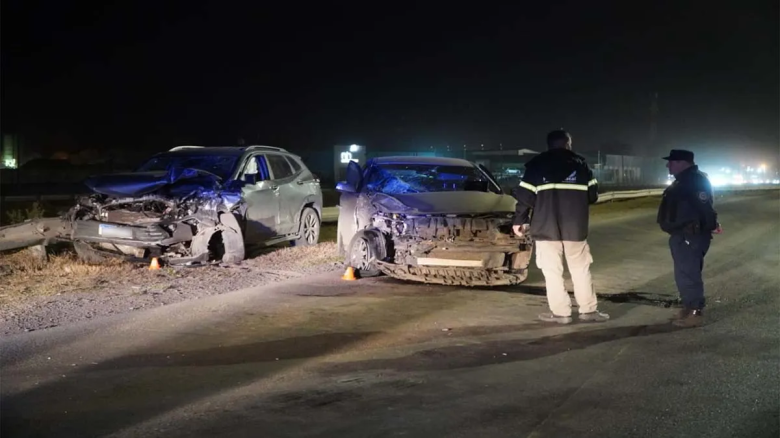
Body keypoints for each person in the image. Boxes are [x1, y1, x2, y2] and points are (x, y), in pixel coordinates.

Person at [512, 129, 608, 324]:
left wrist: (519, 220)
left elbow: (525, 198)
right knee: (580, 269)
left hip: (546, 229)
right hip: (575, 228)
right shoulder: (581, 165)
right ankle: (588, 311)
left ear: (548, 145)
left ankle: (561, 314)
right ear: (568, 143)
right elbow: (593, 195)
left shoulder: (536, 165)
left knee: (552, 271)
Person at [657, 149, 720, 328]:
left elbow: (704, 206)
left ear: (682, 162)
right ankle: (688, 306)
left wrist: (710, 225)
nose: (668, 165)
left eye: (671, 162)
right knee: (683, 273)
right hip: (682, 234)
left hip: (691, 234)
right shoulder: (683, 180)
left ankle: (694, 311)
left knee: (689, 273)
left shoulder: (694, 180)